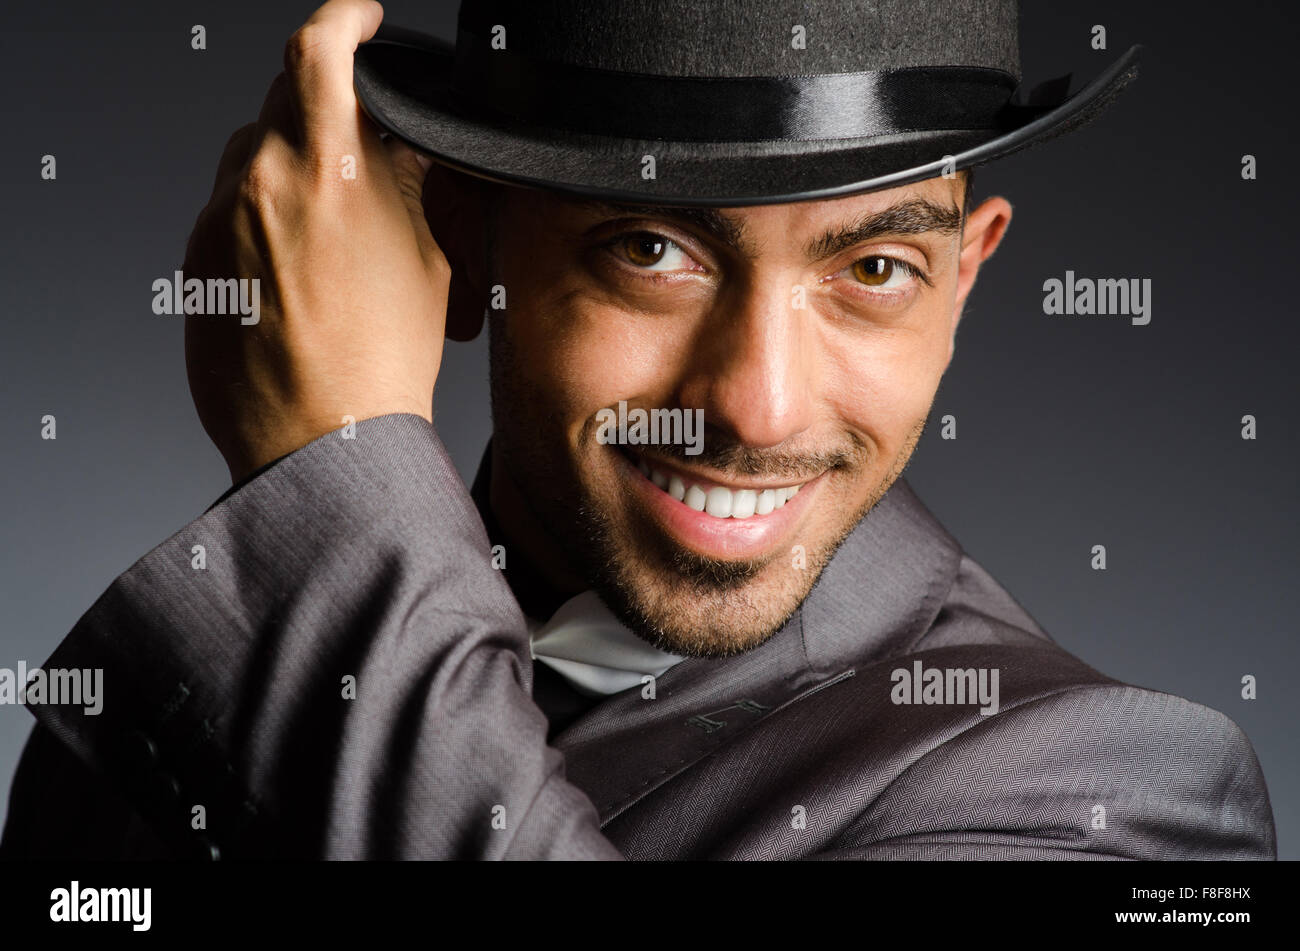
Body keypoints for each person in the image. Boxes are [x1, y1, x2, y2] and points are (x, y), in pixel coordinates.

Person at [1, 0, 1276, 860]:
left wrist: (335, 486)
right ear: (463, 237)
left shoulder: (1119, 796)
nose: (757, 407)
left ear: (963, 280)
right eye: (652, 250)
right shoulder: (178, 702)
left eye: (875, 269)